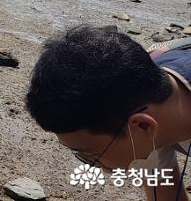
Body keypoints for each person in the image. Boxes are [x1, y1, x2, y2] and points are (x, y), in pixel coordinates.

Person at [26, 26, 191, 200]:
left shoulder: (140, 112)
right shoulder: (142, 88)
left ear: (142, 125)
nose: (92, 165)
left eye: (90, 155)